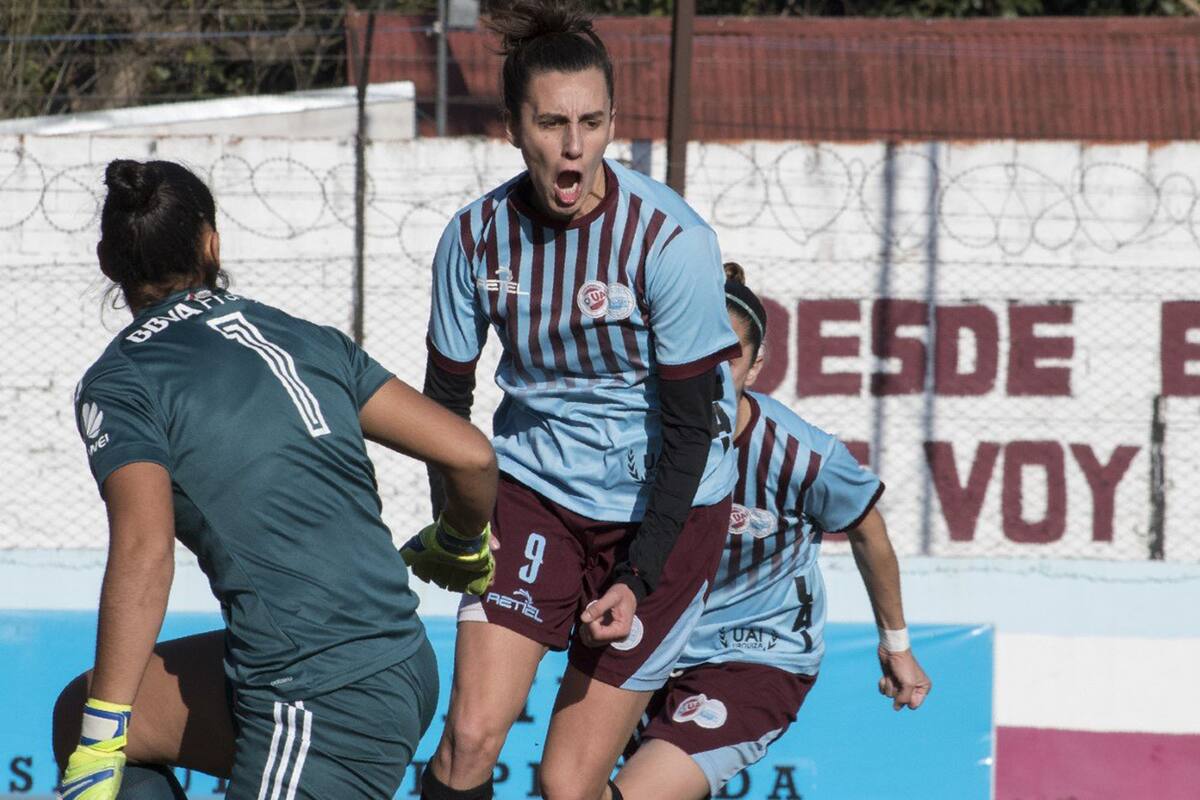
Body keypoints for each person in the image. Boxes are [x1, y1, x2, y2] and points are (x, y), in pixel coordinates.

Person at [52, 158, 497, 800]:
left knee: (96, 733)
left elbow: (145, 550)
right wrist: (460, 539)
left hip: (320, 692)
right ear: (212, 243)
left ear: (107, 261)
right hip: (404, 657)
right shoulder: (306, 339)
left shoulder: (120, 382)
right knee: (82, 707)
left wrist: (101, 744)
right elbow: (472, 456)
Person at [419, 2, 742, 799]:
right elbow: (444, 405)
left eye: (592, 123)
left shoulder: (671, 241)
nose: (574, 147)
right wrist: (459, 527)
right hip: (537, 499)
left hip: (665, 513)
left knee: (568, 787)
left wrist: (638, 572)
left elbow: (692, 429)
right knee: (467, 740)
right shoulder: (473, 239)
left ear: (612, 125)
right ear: (512, 127)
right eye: (553, 123)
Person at [611, 263, 933, 799]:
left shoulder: (804, 457)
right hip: (650, 646)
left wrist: (896, 645)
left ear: (755, 367)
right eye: (698, 347)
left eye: (731, 353)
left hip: (755, 656)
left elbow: (869, 533)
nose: (713, 366)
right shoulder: (629, 434)